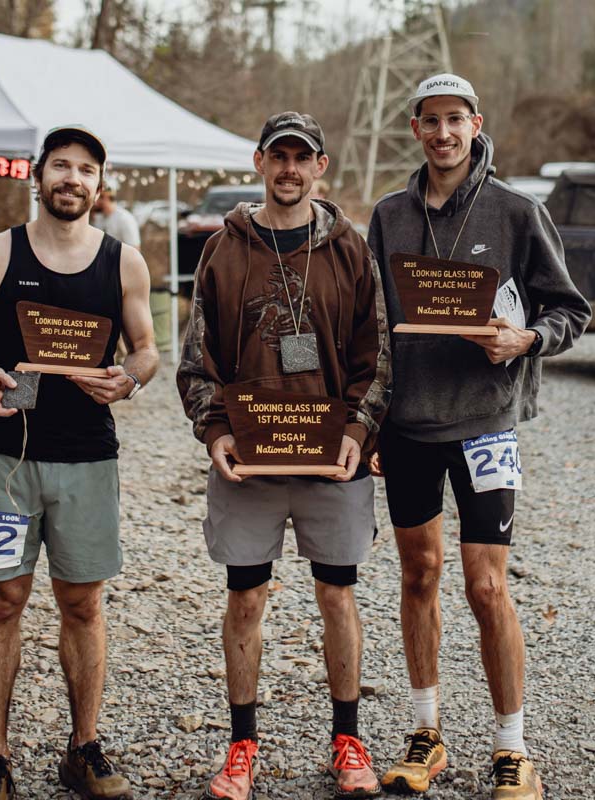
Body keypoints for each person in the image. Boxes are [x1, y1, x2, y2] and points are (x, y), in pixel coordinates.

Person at [367, 73, 590, 800]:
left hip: (485, 426)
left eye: (455, 119)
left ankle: (512, 747)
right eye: (430, 120)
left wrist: (526, 339)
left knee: (486, 586)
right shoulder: (389, 215)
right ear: (414, 128)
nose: (443, 133)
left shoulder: (518, 211)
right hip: (409, 426)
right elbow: (372, 324)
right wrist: (369, 418)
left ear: (475, 124)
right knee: (418, 575)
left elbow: (570, 309)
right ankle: (425, 733)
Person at [0, 125, 159, 800]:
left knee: (83, 602)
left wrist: (129, 378)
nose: (72, 178)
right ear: (39, 177)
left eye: (86, 169)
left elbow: (147, 348)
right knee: (2, 600)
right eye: (61, 165)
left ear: (100, 184)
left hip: (88, 456)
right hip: (4, 456)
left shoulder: (124, 262)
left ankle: (83, 748)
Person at [177, 111, 391, 800]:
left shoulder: (350, 248)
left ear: (321, 167)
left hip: (331, 460)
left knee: (337, 595)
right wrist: (215, 431)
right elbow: (197, 358)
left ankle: (347, 739)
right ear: (260, 162)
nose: (290, 169)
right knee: (245, 599)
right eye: (279, 156)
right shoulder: (224, 249)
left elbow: (377, 354)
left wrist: (359, 432)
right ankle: (241, 747)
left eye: (303, 157)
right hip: (251, 462)